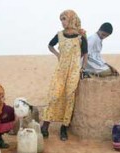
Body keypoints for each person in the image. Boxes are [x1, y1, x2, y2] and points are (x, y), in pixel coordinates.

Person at [41, 9, 88, 141]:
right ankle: (45, 125)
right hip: (60, 70)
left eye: (64, 19)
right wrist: (57, 55)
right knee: (54, 95)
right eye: (61, 19)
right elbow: (50, 45)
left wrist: (83, 68)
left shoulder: (81, 35)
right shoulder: (60, 35)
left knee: (69, 97)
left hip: (74, 71)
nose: (62, 22)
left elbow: (85, 54)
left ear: (72, 19)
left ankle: (64, 127)